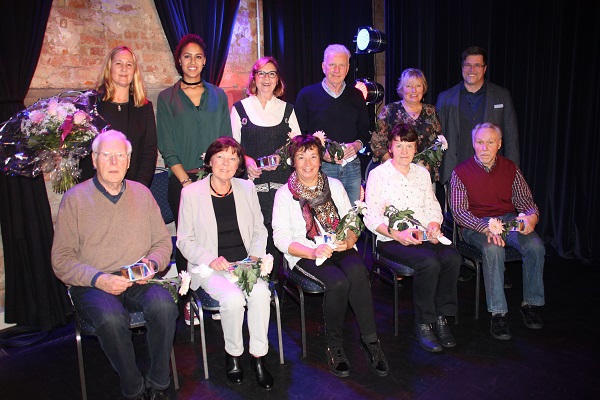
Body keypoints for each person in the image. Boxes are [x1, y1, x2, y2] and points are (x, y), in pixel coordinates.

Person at [51, 130, 176, 400]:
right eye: (106, 155)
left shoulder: (142, 194)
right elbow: (61, 260)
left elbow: (163, 243)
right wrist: (99, 280)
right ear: (94, 160)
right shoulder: (75, 199)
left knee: (165, 306)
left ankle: (159, 382)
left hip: (137, 278)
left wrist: (151, 265)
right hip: (93, 283)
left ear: (128, 162)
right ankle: (133, 388)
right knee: (111, 318)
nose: (114, 162)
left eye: (120, 155)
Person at [272, 134, 389, 378]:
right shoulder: (284, 194)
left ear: (320, 159)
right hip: (304, 253)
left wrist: (348, 241)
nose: (307, 163)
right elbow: (281, 240)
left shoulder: (334, 185)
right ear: (293, 161)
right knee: (337, 282)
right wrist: (313, 251)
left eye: (313, 156)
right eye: (301, 157)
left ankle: (371, 341)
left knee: (358, 271)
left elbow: (351, 221)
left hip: (338, 246)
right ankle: (334, 346)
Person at [176, 137, 274, 389]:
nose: (226, 163)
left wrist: (254, 256)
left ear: (239, 163)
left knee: (261, 294)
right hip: (211, 267)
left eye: (233, 157)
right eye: (220, 156)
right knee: (232, 299)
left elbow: (259, 230)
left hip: (244, 263)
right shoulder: (191, 193)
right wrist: (210, 258)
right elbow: (184, 241)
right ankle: (234, 354)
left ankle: (258, 357)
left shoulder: (247, 188)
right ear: (209, 161)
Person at [364, 123, 462, 353]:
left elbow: (432, 206)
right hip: (390, 239)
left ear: (416, 147)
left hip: (423, 235)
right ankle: (424, 323)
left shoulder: (422, 173)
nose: (405, 151)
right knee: (429, 262)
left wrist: (434, 225)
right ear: (391, 147)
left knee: (453, 258)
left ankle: (441, 316)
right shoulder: (378, 175)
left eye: (409, 146)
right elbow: (370, 216)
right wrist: (396, 234)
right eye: (399, 145)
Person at [450, 123, 545, 340]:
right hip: (476, 224)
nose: (484, 148)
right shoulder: (461, 172)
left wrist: (532, 217)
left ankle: (531, 304)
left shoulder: (511, 168)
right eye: (480, 142)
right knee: (494, 250)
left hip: (509, 221)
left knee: (535, 246)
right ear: (473, 144)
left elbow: (526, 202)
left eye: (490, 142)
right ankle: (498, 313)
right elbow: (459, 213)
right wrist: (485, 229)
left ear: (499, 144)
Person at [157, 33, 232, 275]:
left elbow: (225, 141)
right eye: (187, 56)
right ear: (179, 60)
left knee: (219, 242)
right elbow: (167, 148)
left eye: (198, 57)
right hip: (182, 183)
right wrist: (188, 184)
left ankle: (219, 296)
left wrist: (217, 178)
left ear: (204, 61)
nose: (192, 62)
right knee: (188, 246)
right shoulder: (166, 98)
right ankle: (188, 302)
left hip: (216, 181)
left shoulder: (218, 95)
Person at [230, 56, 301, 267]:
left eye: (272, 73)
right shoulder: (240, 109)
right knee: (255, 235)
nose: (267, 78)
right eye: (262, 73)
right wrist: (247, 159)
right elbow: (232, 147)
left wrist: (281, 157)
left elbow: (297, 147)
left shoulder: (288, 109)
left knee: (278, 234)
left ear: (278, 79)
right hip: (252, 182)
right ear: (254, 78)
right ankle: (255, 284)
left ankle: (279, 286)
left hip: (281, 183)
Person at [294, 44, 370, 203]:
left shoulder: (357, 95)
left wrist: (356, 145)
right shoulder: (307, 95)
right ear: (323, 67)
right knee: (324, 217)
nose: (337, 70)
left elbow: (365, 130)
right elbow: (298, 136)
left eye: (341, 65)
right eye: (332, 65)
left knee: (351, 218)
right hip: (320, 168)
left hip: (352, 168)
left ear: (348, 68)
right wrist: (321, 154)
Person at [436, 46, 519, 185]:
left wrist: (512, 172)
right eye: (468, 65)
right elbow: (438, 137)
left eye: (477, 65)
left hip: (492, 171)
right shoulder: (445, 98)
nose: (472, 70)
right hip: (455, 172)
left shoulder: (501, 96)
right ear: (462, 67)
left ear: (484, 68)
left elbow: (511, 137)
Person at [79, 45, 158, 187]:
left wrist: (140, 187)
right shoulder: (91, 103)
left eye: (129, 64)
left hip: (131, 187)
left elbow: (149, 152)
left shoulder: (144, 108)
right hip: (93, 189)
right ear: (109, 68)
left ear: (134, 71)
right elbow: (81, 150)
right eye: (118, 63)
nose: (124, 68)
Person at [370, 68, 442, 182]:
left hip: (423, 175)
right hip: (394, 176)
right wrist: (395, 167)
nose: (414, 90)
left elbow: (438, 142)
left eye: (418, 85)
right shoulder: (390, 110)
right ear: (401, 89)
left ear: (423, 88)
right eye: (409, 86)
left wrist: (427, 165)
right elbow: (377, 144)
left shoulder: (431, 111)